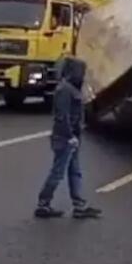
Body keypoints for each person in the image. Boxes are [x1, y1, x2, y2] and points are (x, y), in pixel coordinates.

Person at [35, 56, 102, 219]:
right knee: (58, 173)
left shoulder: (72, 88)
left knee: (74, 172)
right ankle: (43, 204)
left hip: (72, 138)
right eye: (81, 71)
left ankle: (79, 206)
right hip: (65, 138)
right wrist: (70, 136)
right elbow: (62, 116)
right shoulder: (64, 90)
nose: (82, 75)